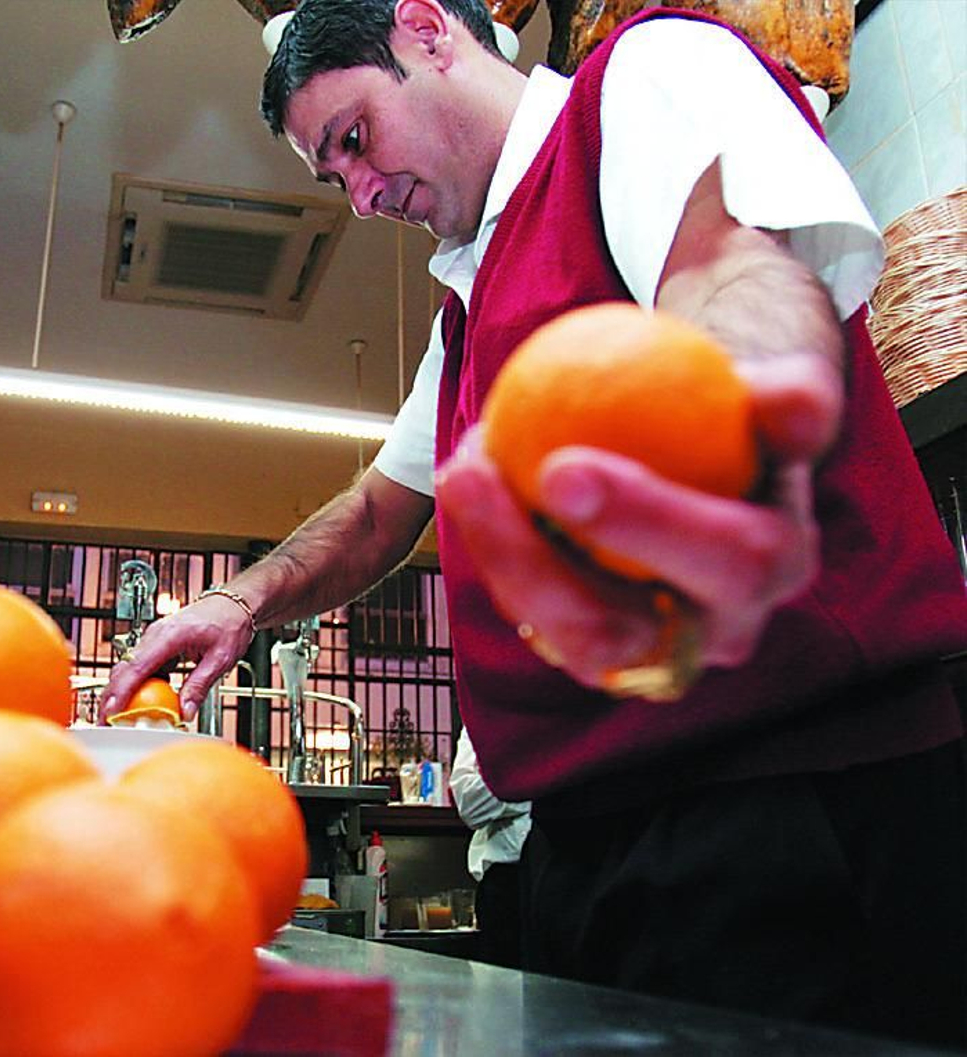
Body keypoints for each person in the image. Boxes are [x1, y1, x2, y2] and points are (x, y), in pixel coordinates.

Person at [102, 0, 967, 1046]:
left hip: (784, 805)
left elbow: (731, 273)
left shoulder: (637, 81)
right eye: (335, 179)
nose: (364, 196)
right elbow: (380, 509)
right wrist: (242, 600)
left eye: (356, 139)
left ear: (425, 29)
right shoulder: (465, 302)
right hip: (588, 841)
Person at [448, 725, 529, 969]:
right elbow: (469, 802)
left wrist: (511, 778)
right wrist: (543, 781)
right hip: (506, 887)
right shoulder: (487, 715)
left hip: (579, 870)